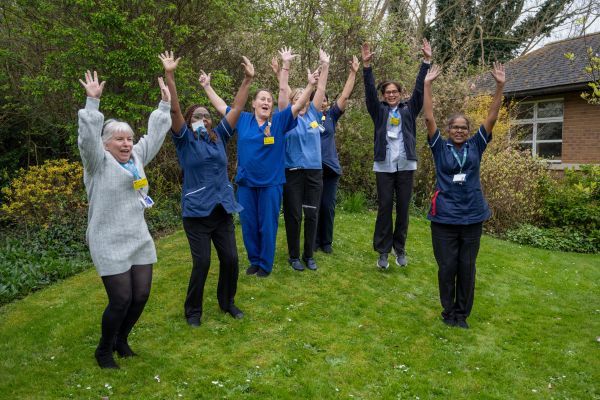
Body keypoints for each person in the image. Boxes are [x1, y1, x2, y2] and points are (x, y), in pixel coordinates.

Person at [77, 70, 171, 368]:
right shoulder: (96, 163)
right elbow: (87, 140)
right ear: (105, 144)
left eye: (129, 138)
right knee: (120, 299)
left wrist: (164, 106)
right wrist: (92, 104)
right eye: (119, 139)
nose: (127, 143)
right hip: (107, 238)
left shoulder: (137, 159)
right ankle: (103, 349)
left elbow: (154, 136)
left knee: (140, 295)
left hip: (137, 236)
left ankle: (121, 339)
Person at [202, 47, 318, 277]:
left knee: (267, 225)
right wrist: (206, 85)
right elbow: (220, 105)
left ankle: (265, 264)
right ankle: (254, 260)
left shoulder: (280, 121)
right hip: (246, 183)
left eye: (269, 100)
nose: (266, 102)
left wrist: (310, 86)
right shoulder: (242, 119)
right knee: (249, 224)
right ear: (253, 103)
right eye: (262, 99)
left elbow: (297, 104)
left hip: (271, 184)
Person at [160, 51, 253, 327]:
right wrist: (170, 75)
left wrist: (247, 81)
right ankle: (193, 312)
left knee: (231, 260)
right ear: (189, 122)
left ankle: (227, 302)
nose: (203, 118)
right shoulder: (184, 141)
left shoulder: (219, 138)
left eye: (206, 115)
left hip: (222, 208)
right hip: (197, 214)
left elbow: (235, 110)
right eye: (197, 116)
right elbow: (175, 110)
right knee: (202, 265)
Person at [422, 61, 506, 329]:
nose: (459, 130)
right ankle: (448, 312)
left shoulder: (476, 145)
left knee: (467, 268)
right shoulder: (439, 147)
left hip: (471, 217)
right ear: (448, 130)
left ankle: (462, 315)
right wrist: (427, 84)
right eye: (455, 127)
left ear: (469, 132)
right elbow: (428, 117)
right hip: (444, 218)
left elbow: (492, 117)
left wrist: (500, 85)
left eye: (463, 127)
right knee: (447, 268)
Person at [361, 40, 431, 270]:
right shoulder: (378, 110)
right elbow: (369, 93)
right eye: (388, 92)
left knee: (402, 208)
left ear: (401, 94)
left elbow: (420, 90)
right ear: (384, 95)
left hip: (405, 164)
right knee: (384, 208)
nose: (391, 95)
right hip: (384, 165)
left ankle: (399, 249)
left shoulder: (409, 109)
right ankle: (383, 251)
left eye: (395, 92)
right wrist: (367, 67)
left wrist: (425, 63)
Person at [276, 49, 330, 272]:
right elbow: (281, 90)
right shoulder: (285, 117)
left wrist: (325, 65)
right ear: (291, 102)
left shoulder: (314, 115)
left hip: (314, 172)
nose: (302, 101)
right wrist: (285, 66)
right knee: (294, 215)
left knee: (311, 213)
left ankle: (309, 255)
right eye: (297, 98)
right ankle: (294, 256)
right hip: (293, 172)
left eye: (304, 98)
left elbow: (321, 89)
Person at [314, 55, 360, 254]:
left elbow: (344, 96)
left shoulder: (331, 115)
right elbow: (291, 98)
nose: (322, 103)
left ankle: (326, 242)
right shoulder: (307, 117)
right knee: (313, 207)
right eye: (319, 100)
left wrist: (353, 73)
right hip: (312, 169)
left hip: (330, 169)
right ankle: (314, 241)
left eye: (324, 100)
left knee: (327, 206)